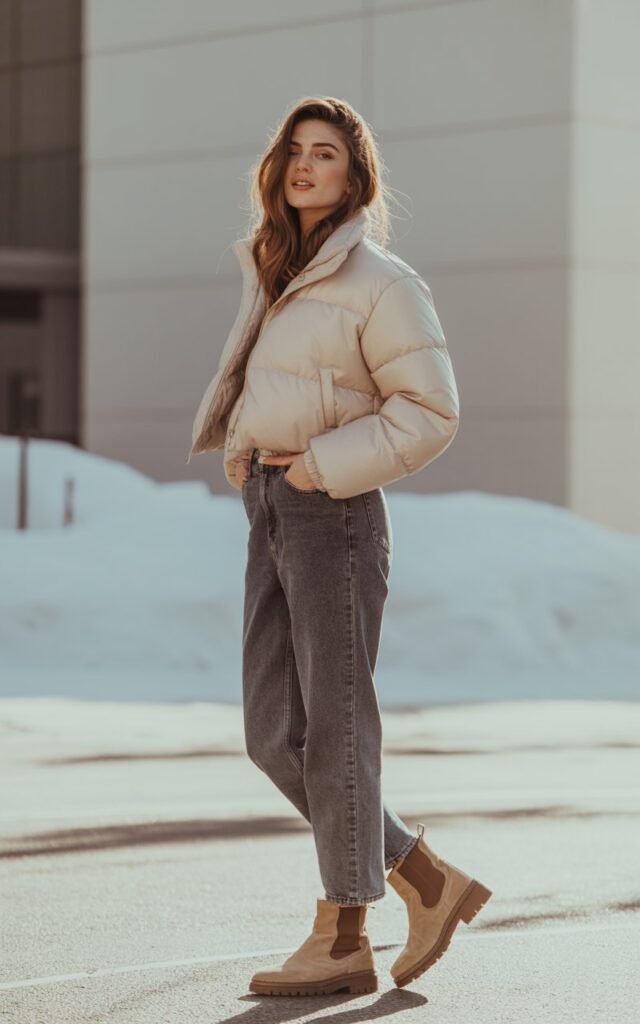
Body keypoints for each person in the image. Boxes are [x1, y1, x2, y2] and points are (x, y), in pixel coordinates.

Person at [187, 96, 492, 997]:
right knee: (273, 733)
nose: (304, 164)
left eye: (325, 152)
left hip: (336, 513)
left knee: (335, 727)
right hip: (274, 509)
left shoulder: (381, 282)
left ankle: (343, 934)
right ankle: (423, 879)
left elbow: (430, 411)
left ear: (356, 175)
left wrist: (319, 467)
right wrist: (250, 451)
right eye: (294, 149)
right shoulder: (277, 269)